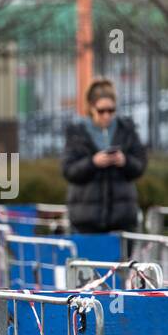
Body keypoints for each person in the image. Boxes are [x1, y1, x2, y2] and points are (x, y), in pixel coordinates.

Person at [62, 77, 147, 234]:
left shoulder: (126, 130)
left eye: (111, 110)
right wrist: (93, 162)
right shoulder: (77, 133)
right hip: (86, 222)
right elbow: (68, 170)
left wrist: (125, 161)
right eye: (101, 111)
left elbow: (140, 165)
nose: (106, 116)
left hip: (122, 221)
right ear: (91, 108)